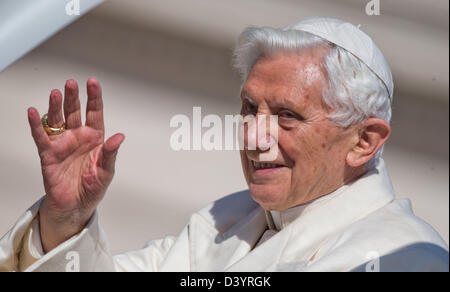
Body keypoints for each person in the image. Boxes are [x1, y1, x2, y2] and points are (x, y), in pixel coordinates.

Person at [0, 17, 448, 272]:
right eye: (250, 109)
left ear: (363, 141)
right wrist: (67, 219)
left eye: (287, 116)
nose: (254, 137)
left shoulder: (404, 258)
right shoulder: (224, 221)